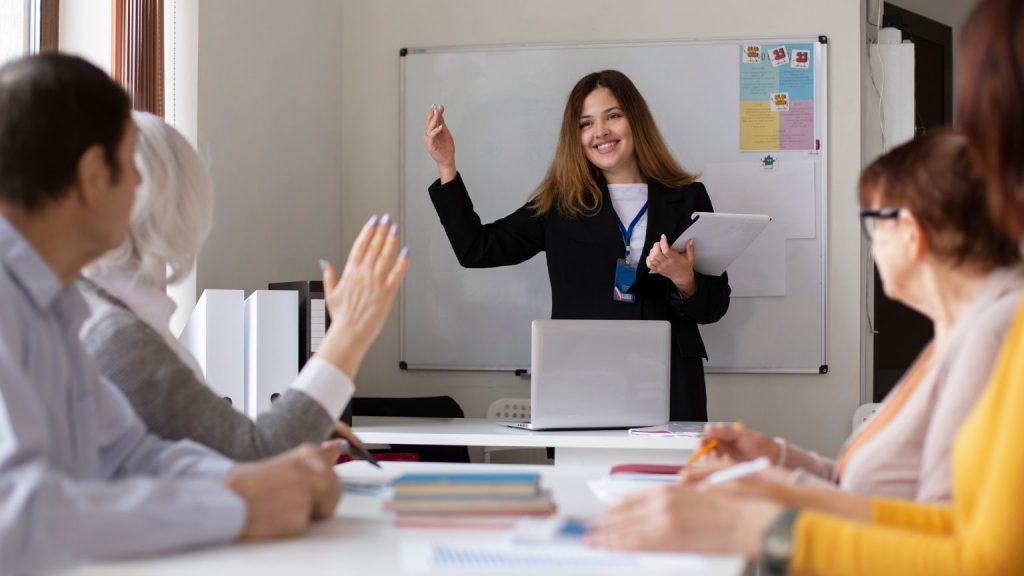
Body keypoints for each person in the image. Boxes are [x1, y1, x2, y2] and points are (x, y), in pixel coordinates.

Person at [588, 0, 1024, 573]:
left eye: (871, 223)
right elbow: (920, 512)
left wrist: (762, 526)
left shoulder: (999, 328)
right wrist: (781, 472)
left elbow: (979, 556)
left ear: (911, 232)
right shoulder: (965, 332)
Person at [0, 54, 341, 574]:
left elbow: (130, 453)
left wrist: (250, 482)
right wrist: (237, 506)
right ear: (94, 175)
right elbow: (20, 518)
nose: (141, 188)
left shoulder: (56, 308)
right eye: (131, 164)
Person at [676, 130, 1023, 512]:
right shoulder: (958, 328)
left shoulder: (993, 333)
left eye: (873, 224)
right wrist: (775, 457)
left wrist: (774, 505)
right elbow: (866, 489)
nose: (871, 246)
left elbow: (943, 528)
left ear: (910, 232)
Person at [77, 111, 408, 461]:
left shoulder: (115, 315)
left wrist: (294, 437)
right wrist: (350, 333)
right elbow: (252, 456)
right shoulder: (117, 336)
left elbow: (213, 452)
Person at [424, 70, 730, 421]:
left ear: (636, 121)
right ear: (576, 136)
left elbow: (715, 306)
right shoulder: (560, 204)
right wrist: (446, 166)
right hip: (582, 377)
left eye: (613, 116)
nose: (600, 132)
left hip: (670, 378)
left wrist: (684, 279)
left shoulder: (687, 198)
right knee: (581, 474)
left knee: (665, 477)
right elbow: (476, 249)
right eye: (586, 123)